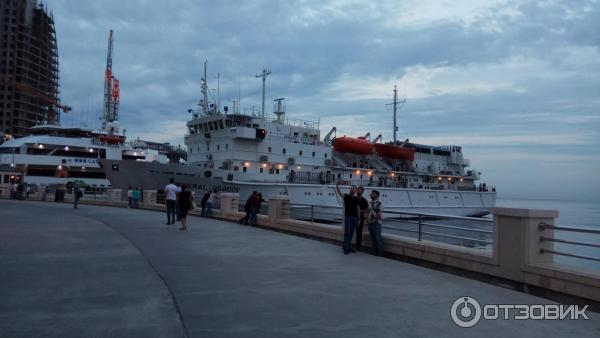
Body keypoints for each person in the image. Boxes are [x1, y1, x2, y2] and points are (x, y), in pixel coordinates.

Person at [335, 181, 359, 254]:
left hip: (354, 218)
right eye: (351, 188)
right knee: (347, 232)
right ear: (350, 190)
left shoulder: (356, 199)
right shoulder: (346, 196)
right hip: (348, 216)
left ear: (355, 190)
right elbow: (339, 193)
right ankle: (346, 248)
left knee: (351, 233)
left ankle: (347, 246)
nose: (352, 189)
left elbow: (358, 208)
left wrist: (359, 219)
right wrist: (337, 186)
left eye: (353, 188)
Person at [367, 190, 383, 256]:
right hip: (370, 222)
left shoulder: (379, 203)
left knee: (377, 238)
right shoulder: (370, 203)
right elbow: (368, 211)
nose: (371, 194)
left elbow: (379, 213)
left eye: (373, 193)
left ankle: (379, 254)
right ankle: (374, 253)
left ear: (376, 195)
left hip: (376, 223)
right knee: (373, 238)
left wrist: (376, 220)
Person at [355, 186, 369, 251]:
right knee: (350, 232)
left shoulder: (364, 200)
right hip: (352, 218)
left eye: (360, 190)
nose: (358, 191)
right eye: (357, 190)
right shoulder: (354, 198)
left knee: (359, 233)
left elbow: (366, 210)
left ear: (362, 192)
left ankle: (358, 248)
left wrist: (360, 211)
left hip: (360, 219)